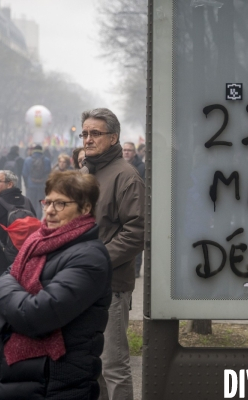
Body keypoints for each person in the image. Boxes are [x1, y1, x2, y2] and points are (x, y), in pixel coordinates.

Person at [0, 171, 112, 399]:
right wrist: (9, 327)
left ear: (86, 208)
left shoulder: (90, 258)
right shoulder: (37, 241)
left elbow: (36, 315)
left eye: (61, 204)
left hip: (55, 382)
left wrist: (6, 290)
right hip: (14, 376)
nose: (50, 210)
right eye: (48, 202)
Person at [80, 108, 144, 400]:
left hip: (111, 286)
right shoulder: (85, 173)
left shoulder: (126, 176)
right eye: (84, 134)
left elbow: (137, 231)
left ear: (113, 137)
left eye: (95, 133)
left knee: (113, 366)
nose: (88, 139)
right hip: (80, 282)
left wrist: (97, 260)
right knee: (91, 364)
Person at [122, 142, 145, 278]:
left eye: (129, 150)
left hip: (136, 206)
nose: (126, 153)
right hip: (123, 206)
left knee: (136, 237)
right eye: (124, 150)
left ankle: (136, 268)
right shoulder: (118, 166)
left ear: (134, 152)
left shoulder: (141, 167)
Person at [22, 144, 51, 218]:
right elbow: (49, 174)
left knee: (31, 204)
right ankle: (38, 220)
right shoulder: (47, 160)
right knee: (40, 205)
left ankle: (32, 220)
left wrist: (26, 185)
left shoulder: (27, 160)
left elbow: (24, 174)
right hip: (42, 186)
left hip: (31, 185)